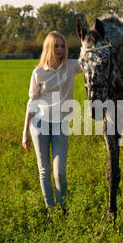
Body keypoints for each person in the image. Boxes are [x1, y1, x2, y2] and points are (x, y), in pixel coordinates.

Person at [22, 31, 82, 214]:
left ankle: (63, 207)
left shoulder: (71, 66)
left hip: (60, 124)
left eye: (63, 46)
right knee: (44, 170)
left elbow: (90, 61)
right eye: (56, 45)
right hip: (39, 124)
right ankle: (50, 209)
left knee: (60, 171)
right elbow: (32, 103)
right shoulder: (38, 72)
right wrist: (25, 133)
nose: (60, 49)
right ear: (49, 47)